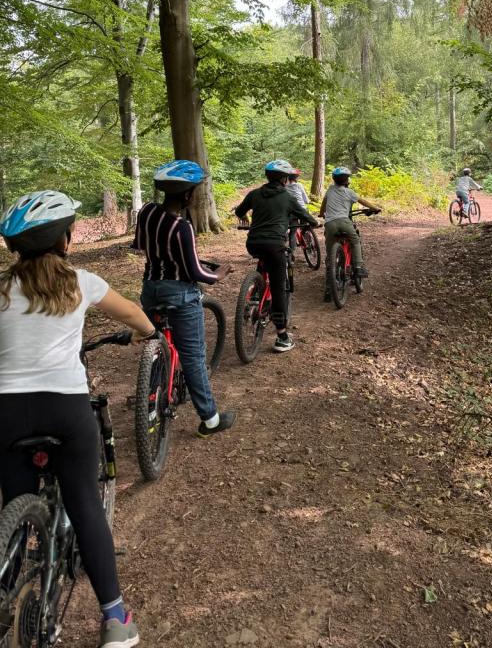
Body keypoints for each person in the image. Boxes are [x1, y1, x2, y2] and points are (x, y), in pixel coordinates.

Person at [0, 189, 157, 648]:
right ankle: (115, 618)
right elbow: (134, 314)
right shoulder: (81, 282)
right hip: (66, 408)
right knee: (85, 505)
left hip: (8, 410)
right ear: (66, 240)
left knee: (15, 501)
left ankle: (10, 581)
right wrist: (145, 333)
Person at [133, 160, 235, 439]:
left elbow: (143, 245)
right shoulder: (182, 227)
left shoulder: (147, 212)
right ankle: (210, 419)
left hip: (150, 289)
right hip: (180, 293)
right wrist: (219, 274)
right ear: (188, 195)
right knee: (193, 356)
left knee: (157, 341)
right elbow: (195, 272)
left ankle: (150, 393)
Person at [234, 159, 320, 353]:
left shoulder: (254, 194)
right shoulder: (287, 197)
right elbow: (304, 215)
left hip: (253, 243)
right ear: (284, 179)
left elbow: (240, 211)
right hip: (274, 246)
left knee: (265, 262)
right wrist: (314, 223)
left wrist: (245, 218)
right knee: (278, 286)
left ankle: (256, 293)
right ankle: (282, 336)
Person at [319, 167, 381, 301]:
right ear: (347, 180)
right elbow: (363, 201)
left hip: (330, 224)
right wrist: (375, 208)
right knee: (355, 241)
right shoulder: (349, 192)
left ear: (334, 180)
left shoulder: (329, 190)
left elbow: (323, 206)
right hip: (344, 222)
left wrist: (321, 213)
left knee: (330, 256)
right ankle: (358, 267)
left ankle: (329, 290)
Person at [286, 169, 311, 253]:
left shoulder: (284, 187)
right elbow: (306, 199)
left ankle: (292, 254)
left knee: (292, 232)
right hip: (302, 210)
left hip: (292, 212)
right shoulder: (299, 185)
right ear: (296, 178)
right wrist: (307, 201)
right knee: (305, 227)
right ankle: (309, 244)